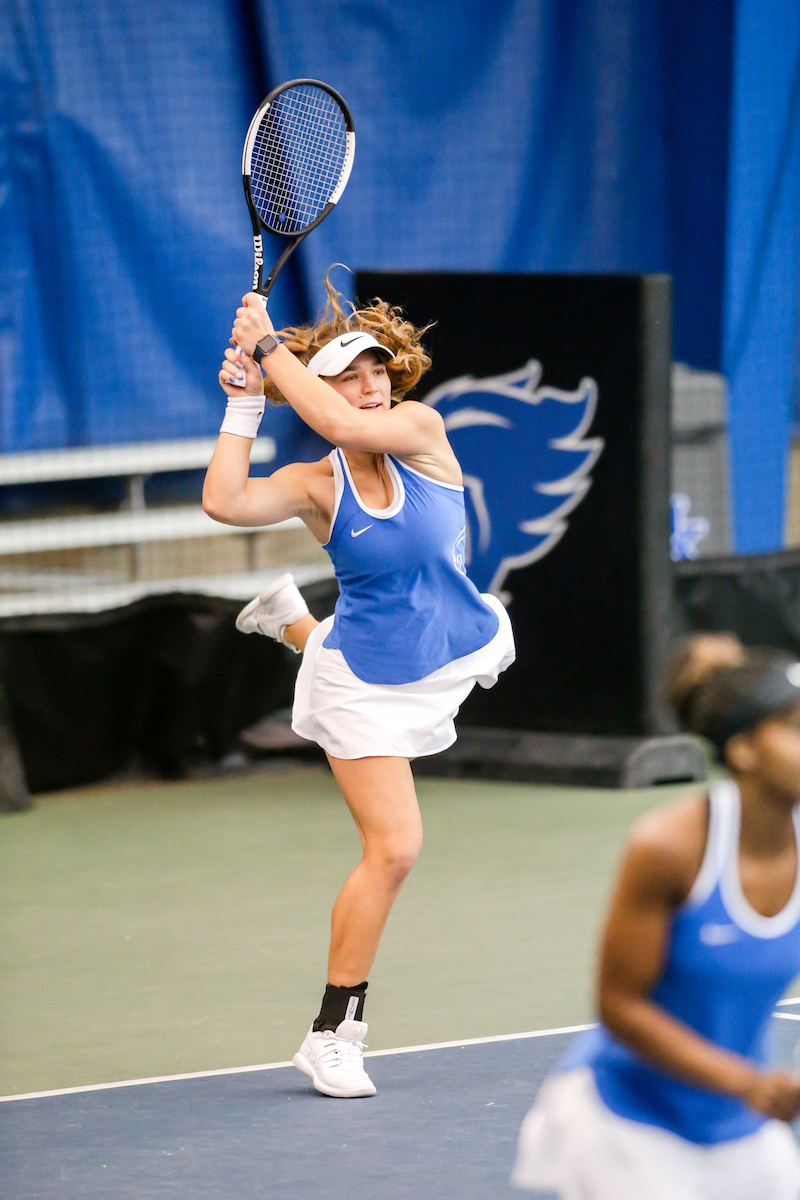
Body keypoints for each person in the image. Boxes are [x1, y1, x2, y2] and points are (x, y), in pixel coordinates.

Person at [202, 277, 515, 1099]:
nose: (370, 386)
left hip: (448, 647)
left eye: (378, 370)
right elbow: (225, 500)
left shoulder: (421, 431)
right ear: (322, 386)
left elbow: (342, 424)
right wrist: (245, 403)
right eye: (349, 375)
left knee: (395, 834)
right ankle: (334, 1032)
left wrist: (268, 347)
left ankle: (289, 622)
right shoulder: (317, 484)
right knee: (397, 848)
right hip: (367, 681)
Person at [511, 632, 800, 1198]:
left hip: (739, 1124)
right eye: (795, 728)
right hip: (628, 1127)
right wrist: (746, 1083)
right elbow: (620, 1006)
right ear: (743, 751)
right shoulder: (668, 848)